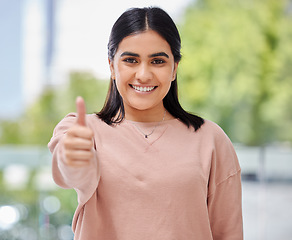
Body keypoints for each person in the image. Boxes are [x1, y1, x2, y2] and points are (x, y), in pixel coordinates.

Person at [48, 7, 243, 240]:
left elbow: (228, 233)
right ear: (112, 66)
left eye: (157, 61)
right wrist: (72, 156)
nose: (143, 74)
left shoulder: (211, 139)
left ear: (174, 69)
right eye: (130, 60)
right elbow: (70, 171)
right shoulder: (82, 131)